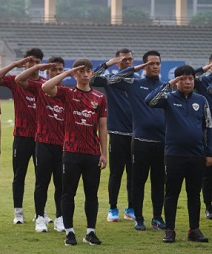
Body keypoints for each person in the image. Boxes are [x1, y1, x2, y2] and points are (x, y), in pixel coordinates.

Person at [42, 59, 107, 246]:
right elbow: (46, 87)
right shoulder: (67, 93)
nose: (85, 74)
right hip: (71, 152)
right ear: (76, 73)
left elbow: (102, 127)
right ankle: (69, 232)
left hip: (92, 152)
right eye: (81, 71)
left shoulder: (99, 97)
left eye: (88, 71)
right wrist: (68, 73)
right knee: (67, 193)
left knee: (91, 194)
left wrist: (104, 153)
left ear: (92, 74)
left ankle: (90, 232)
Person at [145, 65, 212, 243]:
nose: (188, 82)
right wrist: (168, 85)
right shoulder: (168, 98)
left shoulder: (202, 100)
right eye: (183, 78)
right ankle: (170, 230)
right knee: (172, 193)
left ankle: (194, 230)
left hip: (197, 155)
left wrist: (209, 152)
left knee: (194, 194)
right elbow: (149, 101)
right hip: (174, 154)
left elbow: (209, 128)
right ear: (177, 80)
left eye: (190, 78)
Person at [108, 51, 166, 231]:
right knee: (138, 181)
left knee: (158, 181)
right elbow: (114, 80)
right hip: (141, 141)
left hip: (162, 142)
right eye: (151, 63)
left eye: (157, 63)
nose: (155, 66)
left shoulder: (166, 86)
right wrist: (135, 68)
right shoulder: (135, 84)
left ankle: (157, 217)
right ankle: (138, 218)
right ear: (144, 65)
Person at [0, 48, 45, 225]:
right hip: (22, 136)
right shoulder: (16, 81)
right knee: (19, 176)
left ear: (41, 64)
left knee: (42, 177)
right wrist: (15, 65)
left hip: (42, 138)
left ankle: (41, 212)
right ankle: (18, 212)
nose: (32, 65)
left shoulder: (46, 84)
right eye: (29, 61)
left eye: (36, 62)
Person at [16, 56, 66, 233]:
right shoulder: (40, 89)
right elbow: (19, 79)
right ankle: (40, 218)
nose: (58, 73)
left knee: (61, 184)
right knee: (42, 183)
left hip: (62, 146)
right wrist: (38, 66)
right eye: (54, 70)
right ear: (48, 72)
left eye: (61, 70)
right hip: (43, 142)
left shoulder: (67, 92)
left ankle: (60, 217)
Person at [91, 50, 136, 223]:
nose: (127, 62)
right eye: (123, 60)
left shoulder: (138, 82)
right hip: (117, 134)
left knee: (133, 174)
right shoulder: (110, 81)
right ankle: (112, 208)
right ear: (118, 62)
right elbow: (92, 78)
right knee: (116, 173)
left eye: (130, 59)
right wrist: (107, 64)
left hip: (136, 135)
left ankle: (131, 209)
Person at [193, 55, 212, 220]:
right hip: (208, 132)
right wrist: (206, 68)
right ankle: (208, 207)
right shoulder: (203, 81)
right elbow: (190, 75)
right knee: (208, 171)